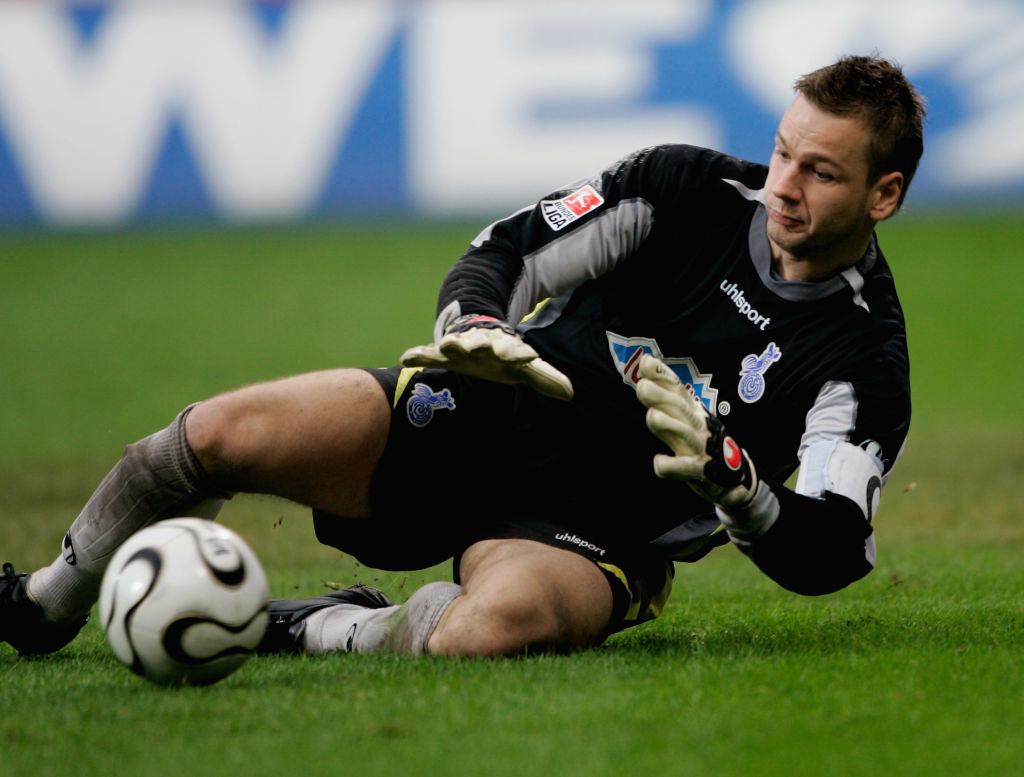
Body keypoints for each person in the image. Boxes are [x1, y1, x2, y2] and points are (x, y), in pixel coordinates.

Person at [2, 54, 925, 659]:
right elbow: (507, 251)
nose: (783, 188)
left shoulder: (864, 355)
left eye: (821, 173)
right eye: (782, 153)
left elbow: (834, 548)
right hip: (483, 414)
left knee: (488, 629)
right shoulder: (685, 190)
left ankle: (322, 626)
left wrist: (740, 487)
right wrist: (476, 328)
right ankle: (46, 600)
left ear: (883, 194)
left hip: (600, 535)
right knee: (212, 434)